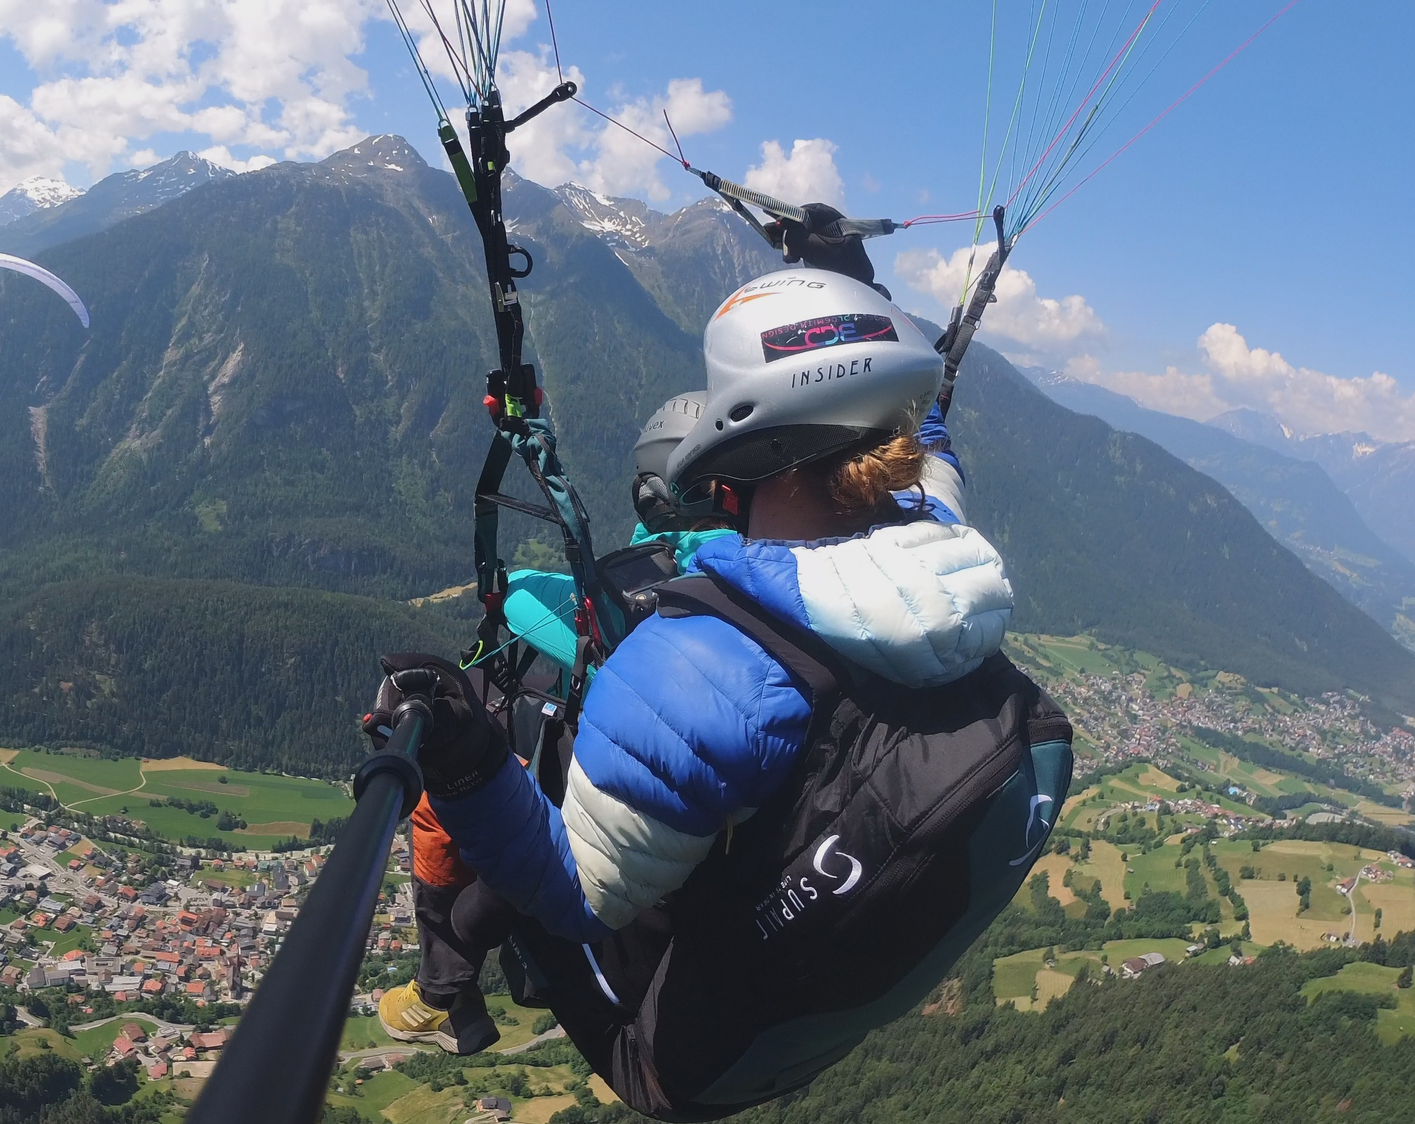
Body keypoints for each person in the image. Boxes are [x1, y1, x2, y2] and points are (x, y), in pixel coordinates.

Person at [372, 266, 1063, 1119]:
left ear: (745, 446)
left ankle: (443, 985)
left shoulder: (705, 663)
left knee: (503, 743)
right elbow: (935, 451)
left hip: (673, 1057)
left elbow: (573, 894)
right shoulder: (953, 556)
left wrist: (465, 757)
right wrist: (856, 314)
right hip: (810, 1008)